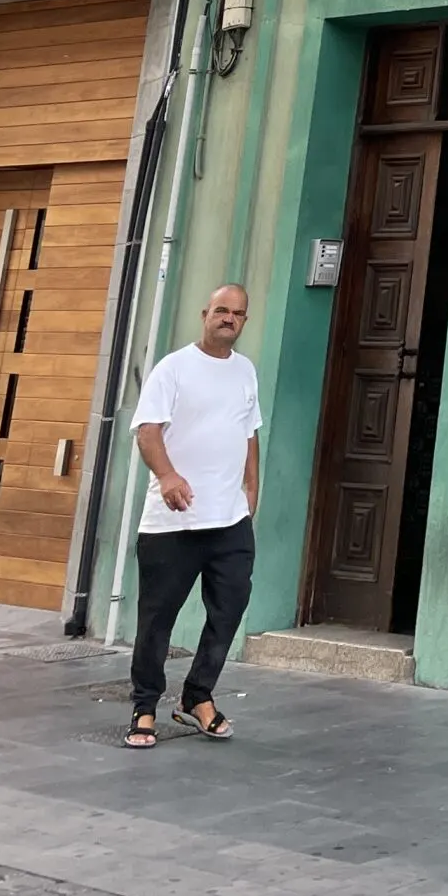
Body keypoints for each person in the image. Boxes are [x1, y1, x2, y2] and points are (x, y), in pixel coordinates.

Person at [123, 284, 261, 749]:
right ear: (206, 314)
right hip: (173, 524)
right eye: (221, 310)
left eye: (238, 314)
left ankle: (197, 697)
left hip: (229, 522)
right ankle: (144, 707)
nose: (229, 319)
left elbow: (249, 434)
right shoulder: (174, 368)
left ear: (243, 321)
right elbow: (147, 433)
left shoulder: (245, 372)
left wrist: (251, 495)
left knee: (229, 610)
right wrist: (166, 476)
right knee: (157, 619)